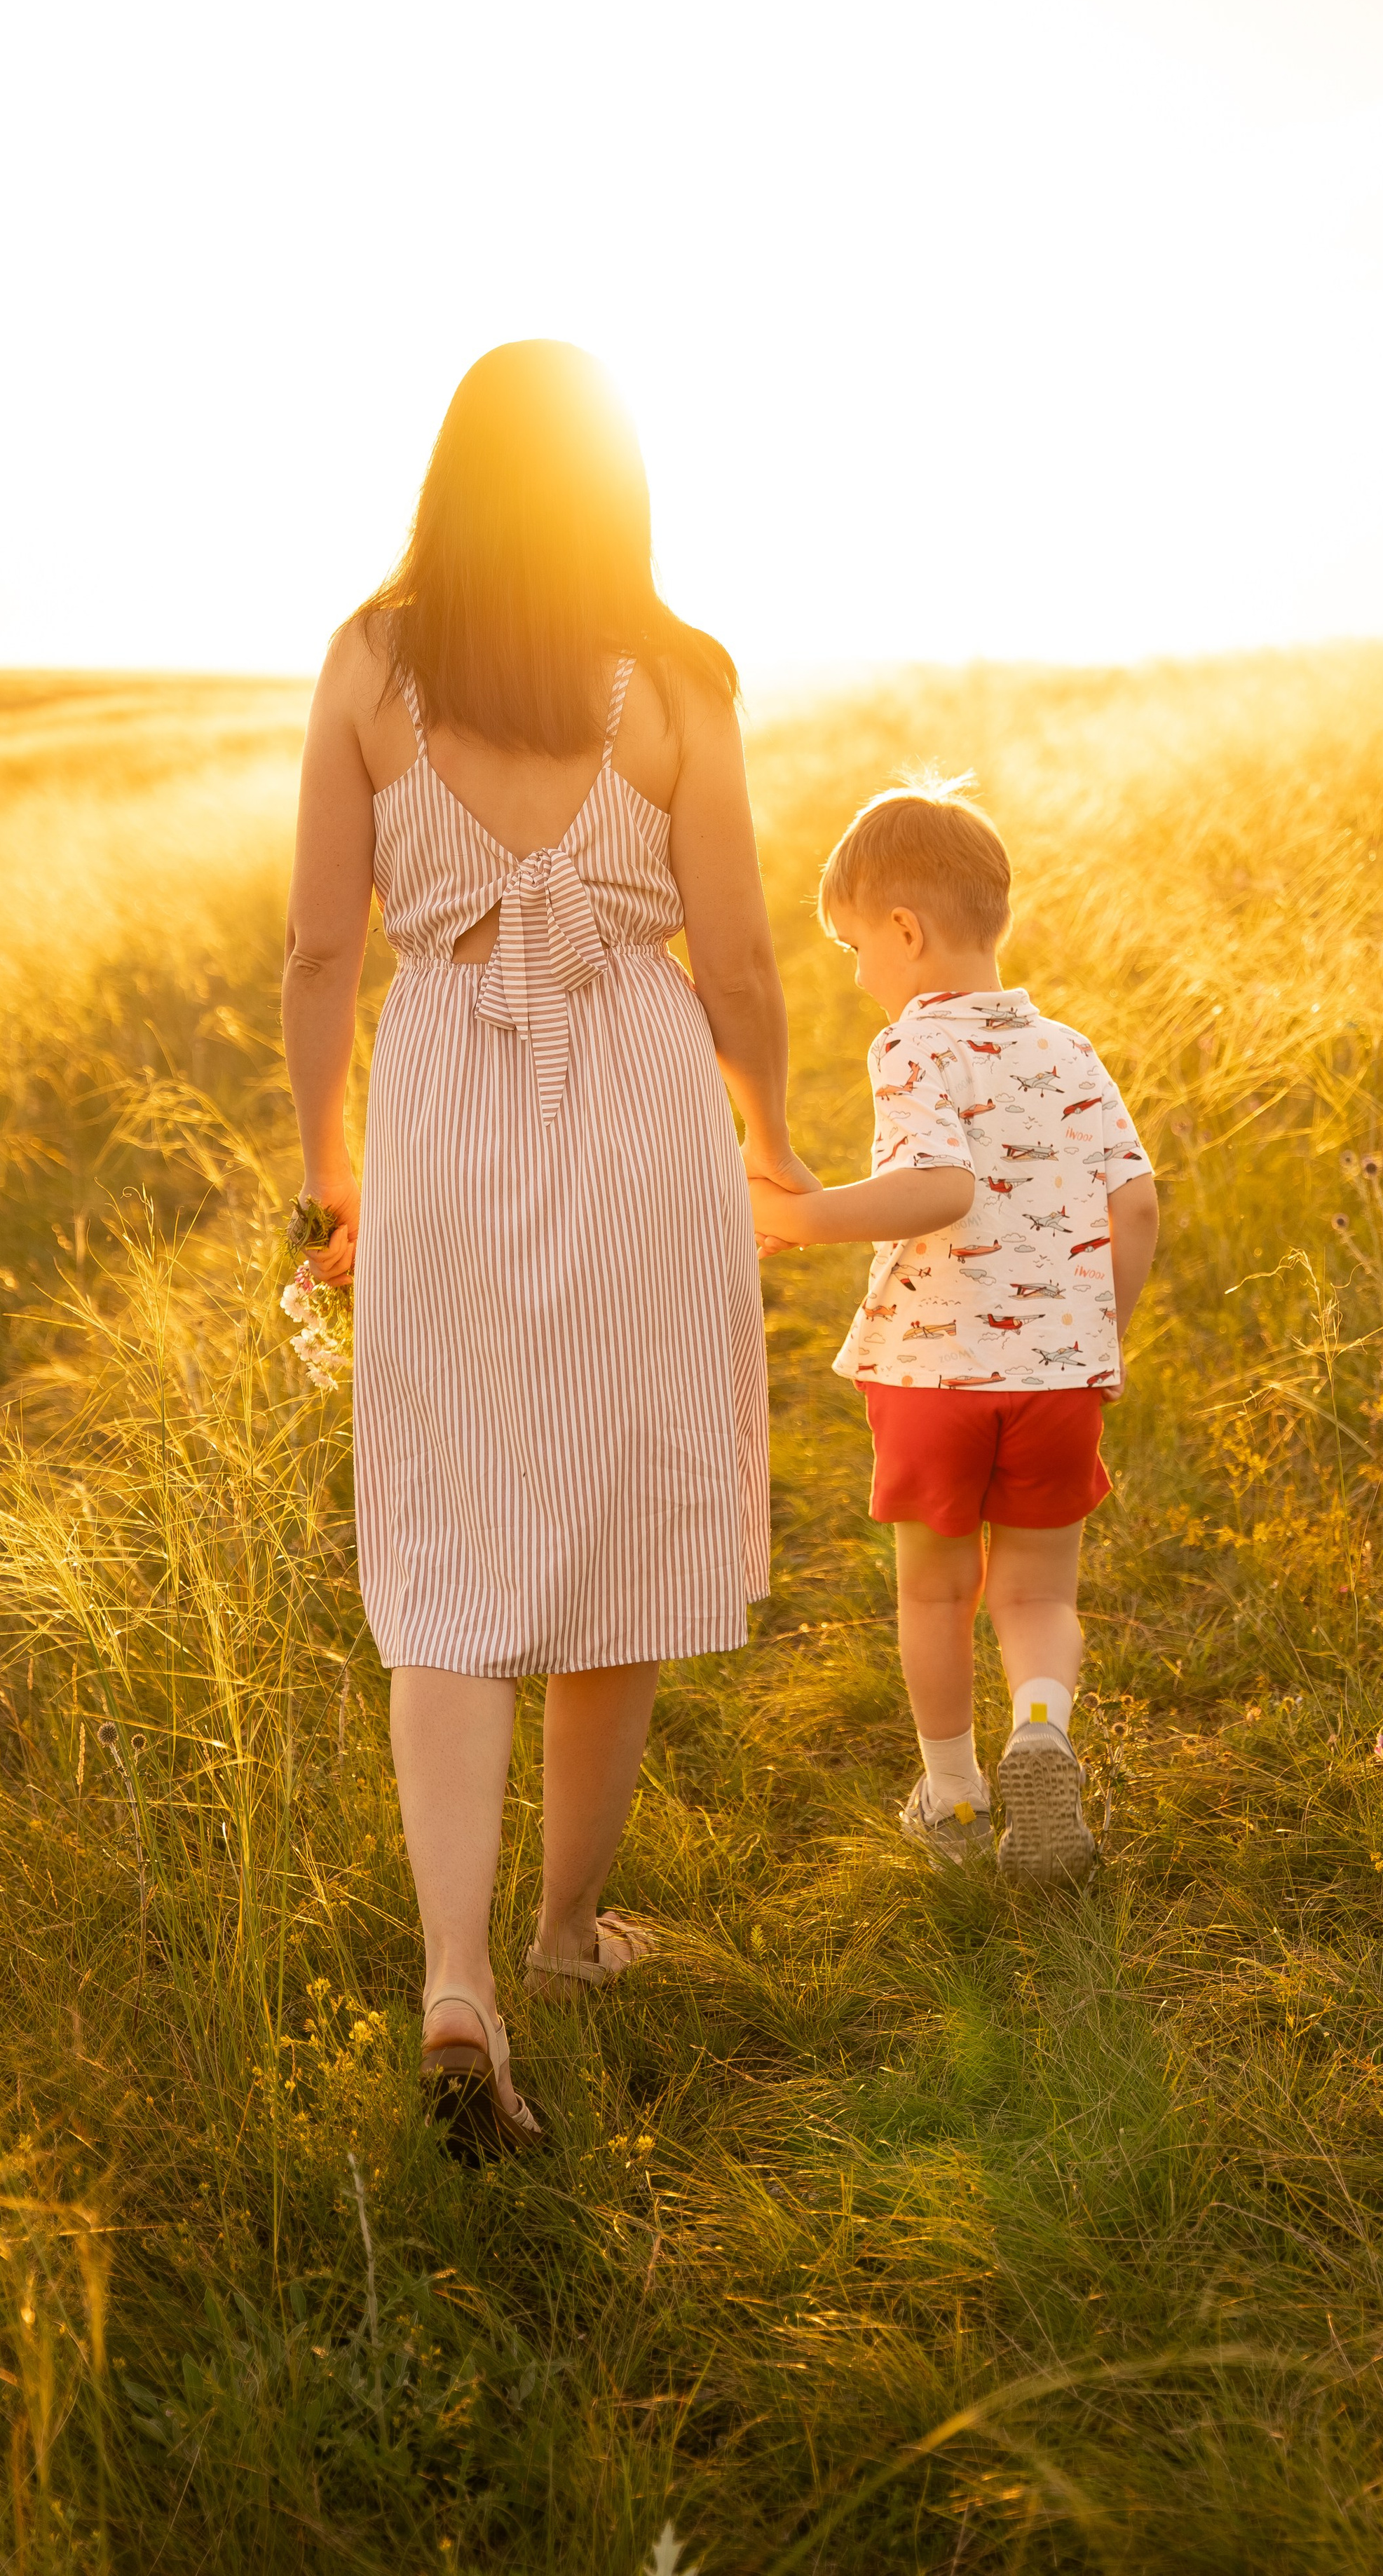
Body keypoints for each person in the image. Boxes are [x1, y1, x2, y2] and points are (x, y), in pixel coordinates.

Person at [282, 341, 813, 2155]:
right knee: (617, 1507)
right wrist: (772, 1140)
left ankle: (458, 1981)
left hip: (442, 1104)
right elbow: (739, 961)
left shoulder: (369, 663)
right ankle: (565, 1935)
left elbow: (318, 953)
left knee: (447, 1542)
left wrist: (330, 1177)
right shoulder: (676, 678)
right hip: (640, 1107)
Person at [747, 779, 1158, 1882]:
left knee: (935, 1588)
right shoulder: (1070, 1051)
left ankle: (957, 1799)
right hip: (1058, 1379)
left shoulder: (914, 1046)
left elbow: (938, 1185)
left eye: (854, 949)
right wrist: (1093, 1340)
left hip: (934, 1377)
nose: (857, 976)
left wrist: (793, 1217)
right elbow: (1136, 1207)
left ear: (906, 931)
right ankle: (1042, 1730)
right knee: (1039, 1590)